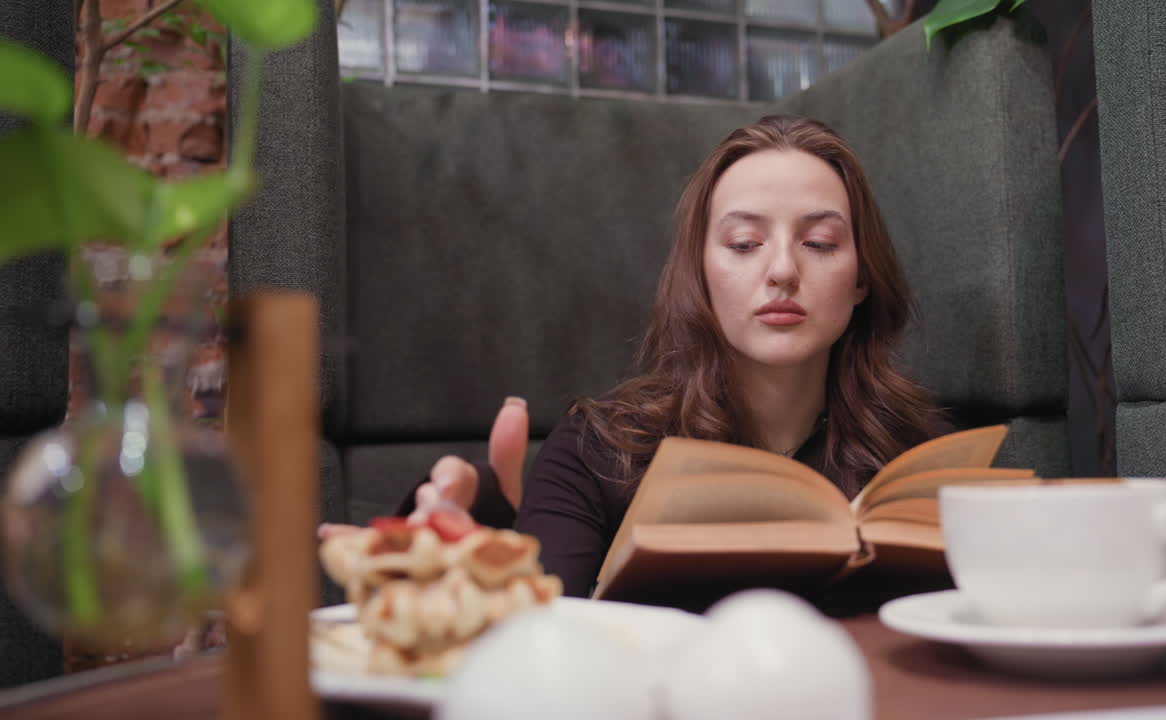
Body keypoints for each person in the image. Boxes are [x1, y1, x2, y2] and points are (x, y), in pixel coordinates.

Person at [321, 115, 947, 598]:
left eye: (819, 242)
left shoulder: (916, 457)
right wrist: (474, 568)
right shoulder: (599, 452)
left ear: (862, 276)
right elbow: (544, 643)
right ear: (700, 273)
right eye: (744, 242)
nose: (782, 269)